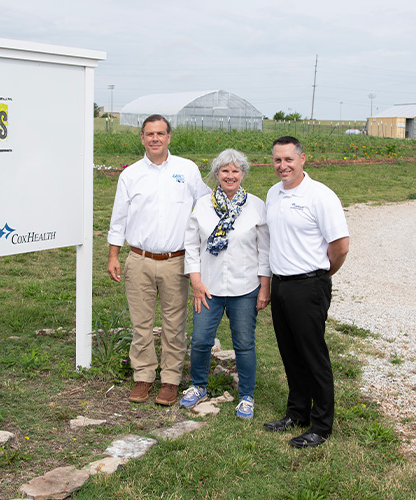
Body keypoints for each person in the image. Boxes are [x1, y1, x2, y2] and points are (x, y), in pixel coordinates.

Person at [107, 114, 210, 406]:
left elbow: (205, 205)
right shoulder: (130, 175)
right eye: (149, 134)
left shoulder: (186, 170)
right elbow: (118, 219)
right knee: (141, 323)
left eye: (160, 133)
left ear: (169, 137)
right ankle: (143, 376)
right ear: (142, 138)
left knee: (174, 324)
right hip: (139, 259)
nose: (155, 139)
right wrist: (114, 255)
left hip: (176, 261)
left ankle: (170, 380)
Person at [263, 136, 349, 448]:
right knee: (290, 353)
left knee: (313, 356)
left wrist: (322, 275)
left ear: (302, 159)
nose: (282, 166)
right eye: (277, 160)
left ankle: (321, 425)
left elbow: (340, 246)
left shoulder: (320, 196)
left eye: (288, 159)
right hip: (282, 284)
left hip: (309, 285)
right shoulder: (273, 194)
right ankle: (297, 412)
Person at [178, 149, 270, 419]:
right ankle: (198, 386)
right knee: (201, 339)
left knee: (244, 343)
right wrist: (195, 281)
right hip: (208, 288)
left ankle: (246, 396)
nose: (230, 176)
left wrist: (264, 287)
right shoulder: (203, 205)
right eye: (224, 171)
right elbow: (192, 246)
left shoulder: (255, 205)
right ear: (216, 174)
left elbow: (264, 250)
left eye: (235, 171)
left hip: (245, 288)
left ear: (243, 174)